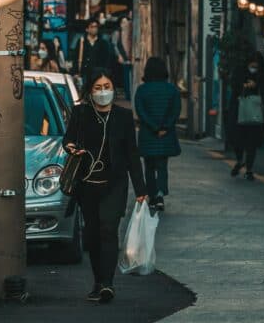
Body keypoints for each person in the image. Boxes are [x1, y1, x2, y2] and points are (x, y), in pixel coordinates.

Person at [63, 71, 147, 304]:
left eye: (107, 86)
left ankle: (108, 284)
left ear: (113, 89)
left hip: (114, 184)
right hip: (87, 185)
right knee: (92, 235)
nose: (103, 92)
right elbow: (67, 139)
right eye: (98, 87)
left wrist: (141, 189)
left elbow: (132, 154)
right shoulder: (81, 113)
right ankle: (98, 282)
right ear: (90, 91)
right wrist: (71, 147)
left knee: (109, 230)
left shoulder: (123, 116)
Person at [134, 56, 181, 213]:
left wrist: (154, 127)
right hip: (165, 136)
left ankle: (152, 196)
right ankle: (160, 195)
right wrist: (165, 127)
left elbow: (140, 111)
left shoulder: (142, 90)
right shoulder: (172, 90)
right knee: (162, 166)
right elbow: (175, 111)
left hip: (148, 135)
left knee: (149, 167)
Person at [230, 52, 264, 181]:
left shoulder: (262, 74)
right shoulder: (239, 71)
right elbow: (234, 85)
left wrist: (257, 85)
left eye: (256, 66)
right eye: (252, 66)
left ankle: (249, 169)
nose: (254, 68)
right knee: (238, 140)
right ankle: (240, 160)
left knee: (251, 143)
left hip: (255, 113)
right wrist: (244, 86)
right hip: (239, 111)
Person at [71, 17, 115, 85]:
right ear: (87, 29)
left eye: (96, 27)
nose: (94, 29)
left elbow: (107, 59)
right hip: (84, 73)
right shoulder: (81, 42)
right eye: (92, 27)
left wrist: (105, 73)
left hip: (98, 74)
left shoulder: (103, 43)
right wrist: (75, 72)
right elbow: (75, 58)